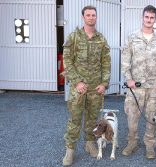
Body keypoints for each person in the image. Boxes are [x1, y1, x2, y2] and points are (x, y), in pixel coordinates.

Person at [62, 5, 111, 166]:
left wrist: (104, 84)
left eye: (93, 15)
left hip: (95, 89)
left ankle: (90, 143)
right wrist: (77, 82)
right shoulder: (74, 37)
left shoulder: (101, 39)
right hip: (79, 88)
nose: (91, 17)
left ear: (96, 18)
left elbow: (106, 63)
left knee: (91, 119)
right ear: (83, 17)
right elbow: (67, 60)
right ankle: (70, 149)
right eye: (88, 15)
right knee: (75, 119)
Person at [121, 5, 156, 159]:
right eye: (146, 17)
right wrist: (128, 79)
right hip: (136, 87)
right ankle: (132, 142)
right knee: (132, 118)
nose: (149, 20)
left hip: (154, 87)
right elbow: (125, 60)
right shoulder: (132, 37)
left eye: (152, 17)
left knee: (152, 117)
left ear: (155, 19)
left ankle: (150, 145)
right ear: (142, 18)